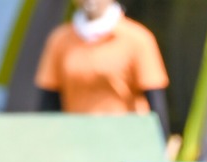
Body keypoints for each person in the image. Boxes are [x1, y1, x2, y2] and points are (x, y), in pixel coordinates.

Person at [35, 0, 173, 145]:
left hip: (126, 142)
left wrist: (161, 146)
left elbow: (156, 104)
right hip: (77, 142)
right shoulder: (59, 40)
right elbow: (48, 104)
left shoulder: (137, 39)